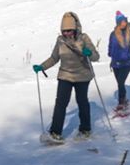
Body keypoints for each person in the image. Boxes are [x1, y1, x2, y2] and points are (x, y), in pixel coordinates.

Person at [33, 11, 99, 143]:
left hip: (82, 75)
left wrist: (89, 53)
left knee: (82, 101)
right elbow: (54, 58)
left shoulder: (83, 38)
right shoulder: (60, 40)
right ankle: (55, 133)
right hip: (65, 75)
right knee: (60, 103)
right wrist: (42, 66)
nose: (66, 33)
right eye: (64, 31)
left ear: (75, 29)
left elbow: (96, 57)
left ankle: (85, 130)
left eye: (69, 30)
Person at [107, 11, 130, 113]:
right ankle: (124, 98)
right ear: (118, 23)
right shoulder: (113, 34)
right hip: (116, 63)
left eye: (125, 21)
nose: (124, 23)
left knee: (120, 82)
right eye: (122, 22)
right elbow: (110, 46)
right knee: (120, 83)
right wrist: (110, 53)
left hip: (126, 62)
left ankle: (121, 102)